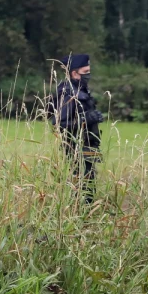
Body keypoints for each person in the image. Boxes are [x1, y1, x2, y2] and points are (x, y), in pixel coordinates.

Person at [54, 53, 104, 203]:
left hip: (88, 146)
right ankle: (79, 212)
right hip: (75, 149)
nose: (88, 75)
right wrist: (87, 119)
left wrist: (94, 117)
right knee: (81, 188)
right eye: (85, 72)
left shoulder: (82, 90)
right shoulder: (67, 93)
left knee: (89, 185)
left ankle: (86, 212)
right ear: (74, 73)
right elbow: (60, 124)